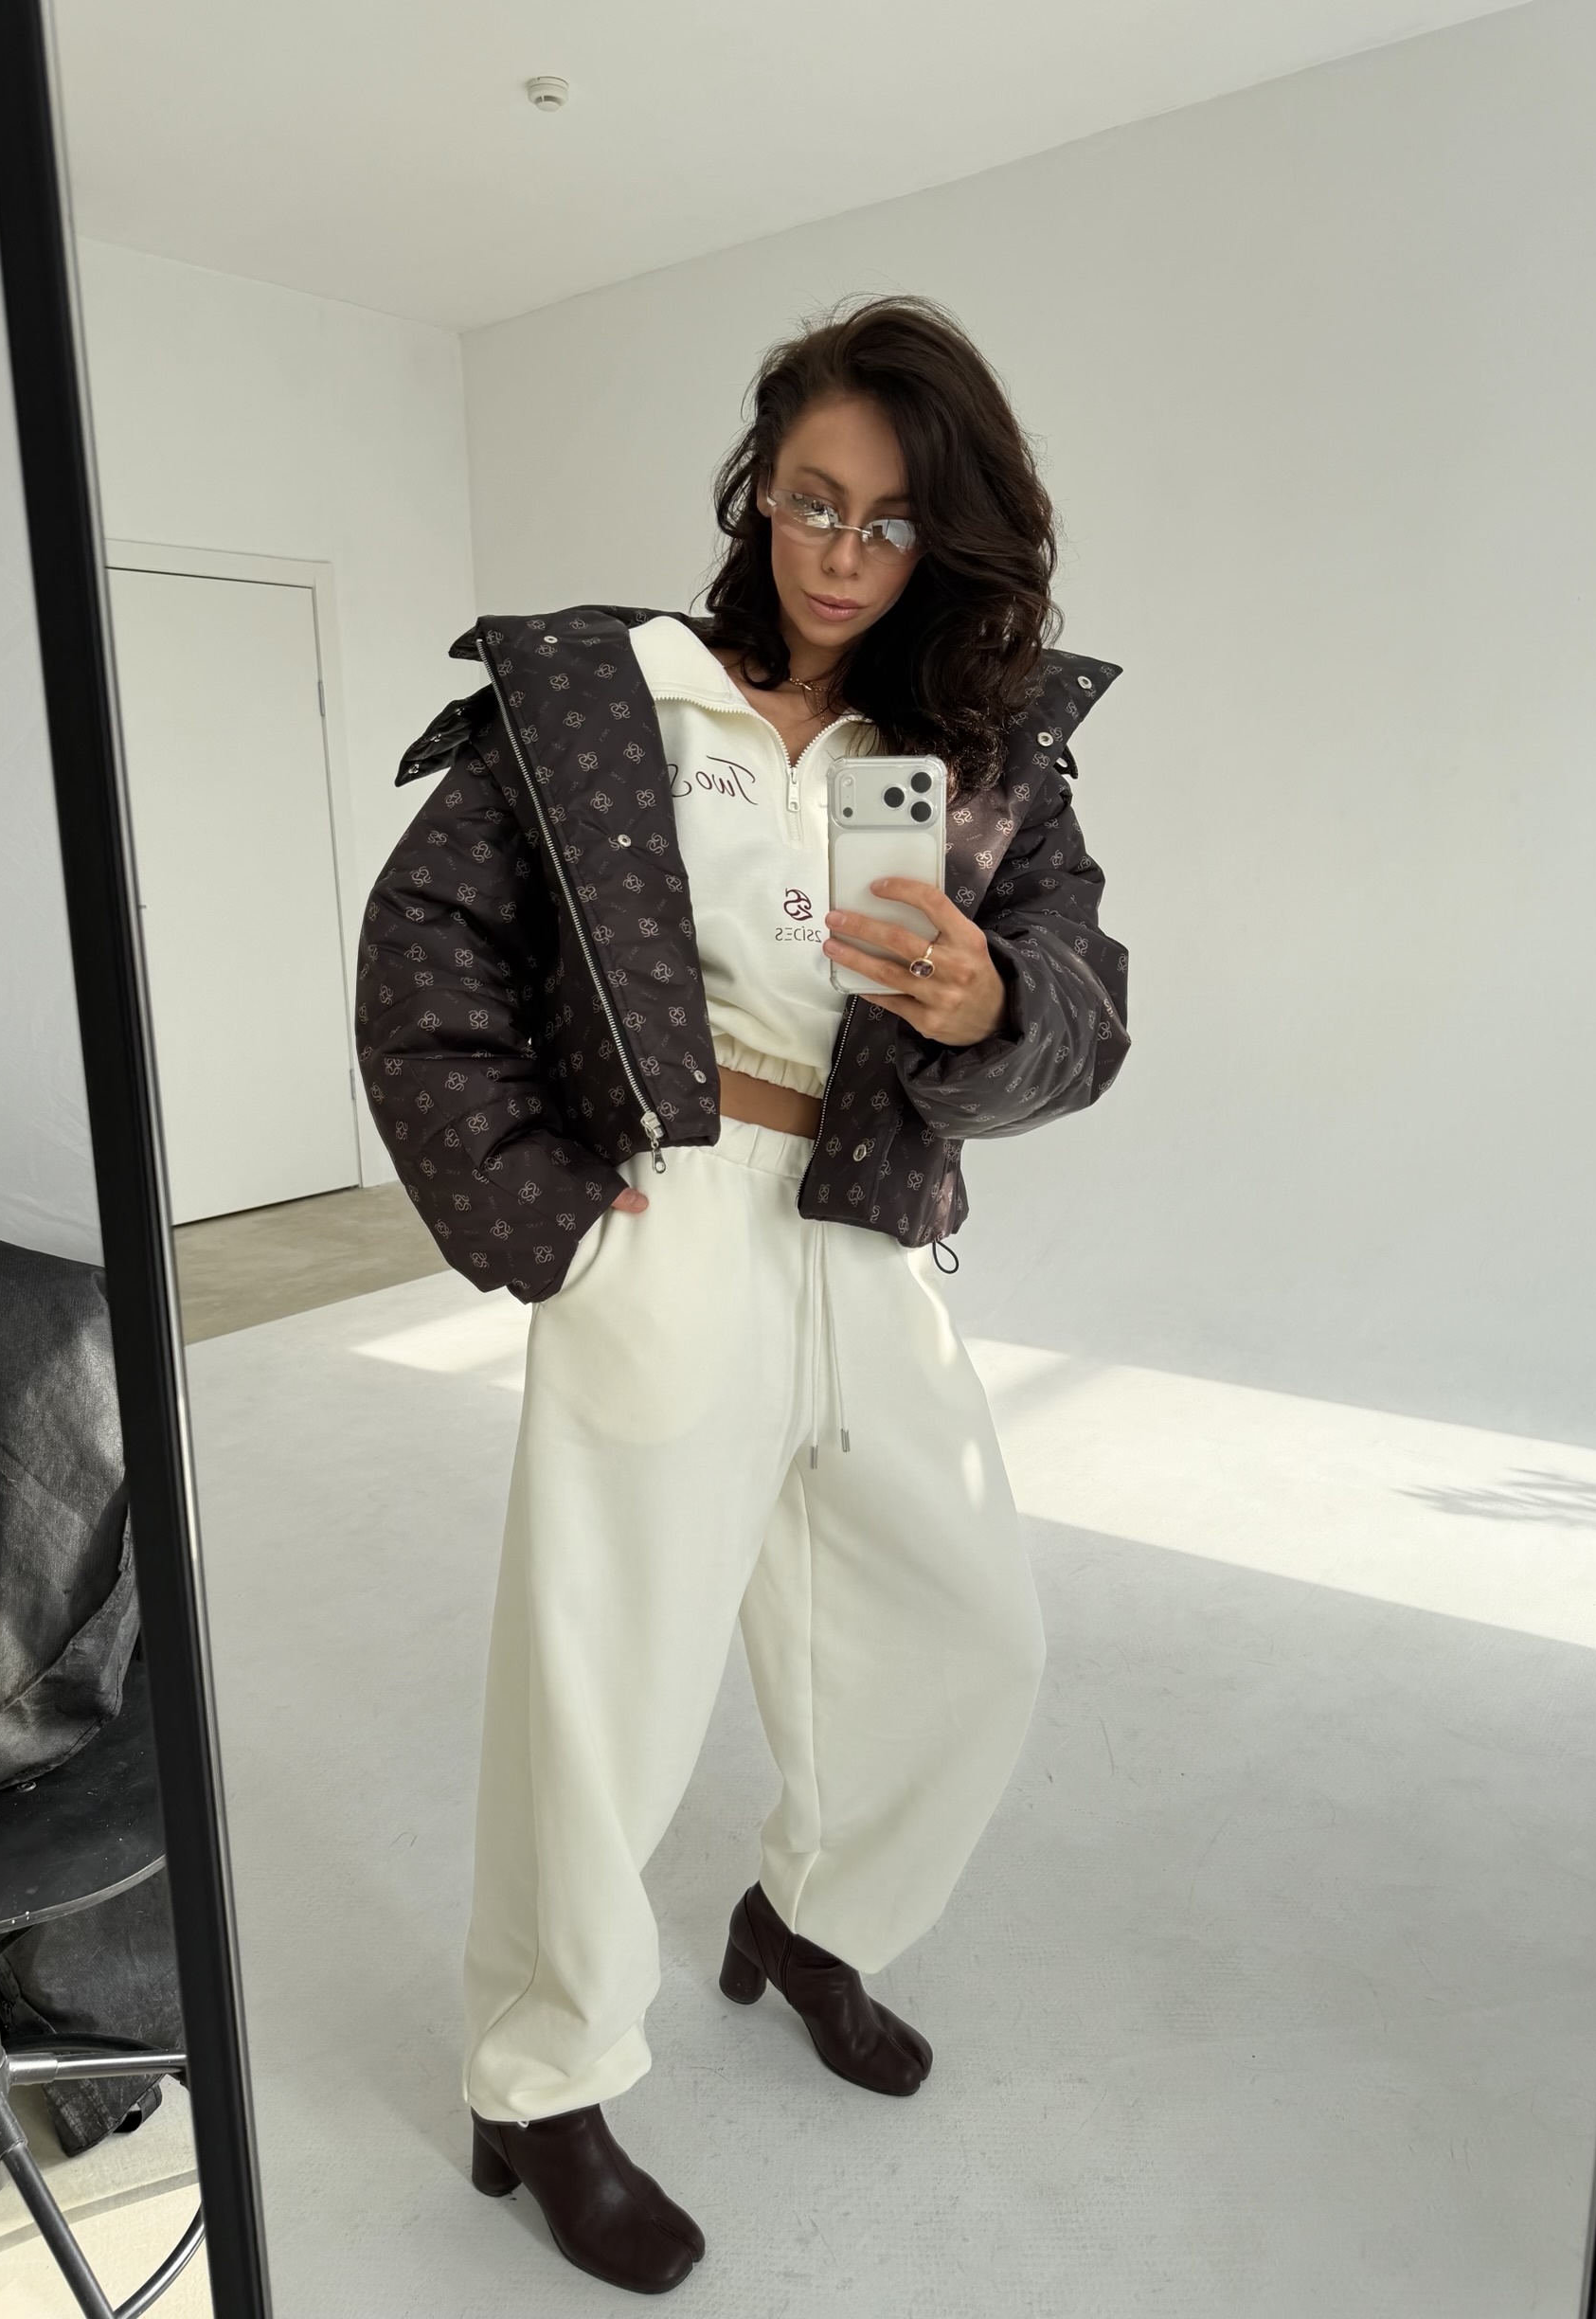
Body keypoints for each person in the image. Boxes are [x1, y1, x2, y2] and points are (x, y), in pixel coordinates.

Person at [356, 296, 1129, 2294]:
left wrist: (991, 999)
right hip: (665, 1216)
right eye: (812, 500)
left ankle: (807, 1926)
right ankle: (540, 2084)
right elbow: (427, 946)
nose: (842, 554)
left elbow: (1087, 1016)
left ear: (948, 538)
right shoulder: (602, 697)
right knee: (603, 1681)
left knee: (967, 1639)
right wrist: (548, 1221)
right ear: (755, 489)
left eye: (892, 521)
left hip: (873, 1221)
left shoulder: (982, 756)